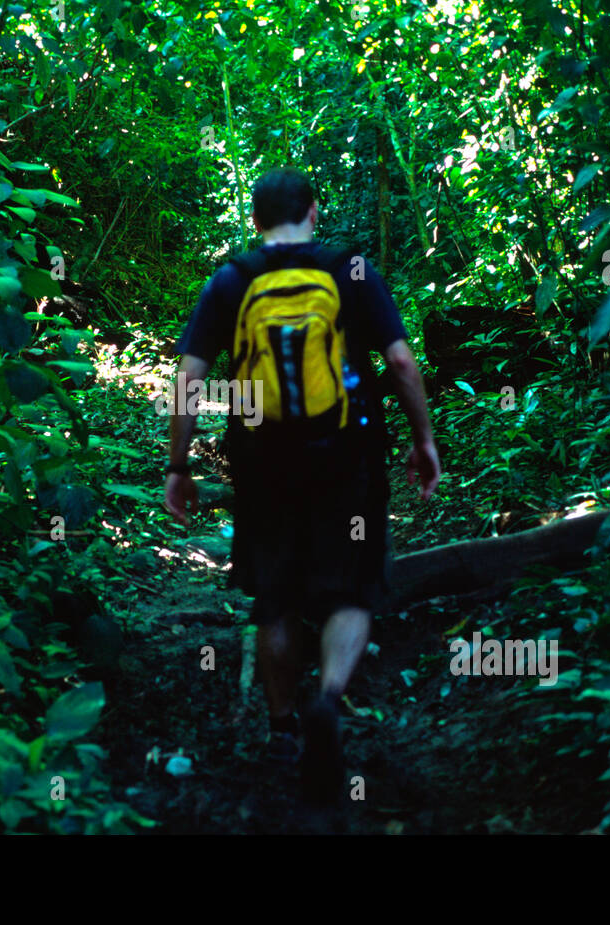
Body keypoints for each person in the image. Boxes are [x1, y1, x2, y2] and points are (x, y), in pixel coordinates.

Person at [163, 166, 440, 804]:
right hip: (346, 453)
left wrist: (179, 465)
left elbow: (188, 377)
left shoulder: (233, 279)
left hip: (263, 461)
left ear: (256, 219)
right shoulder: (351, 271)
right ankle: (330, 698)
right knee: (353, 585)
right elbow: (400, 361)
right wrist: (423, 441)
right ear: (314, 212)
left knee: (276, 597)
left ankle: (283, 726)